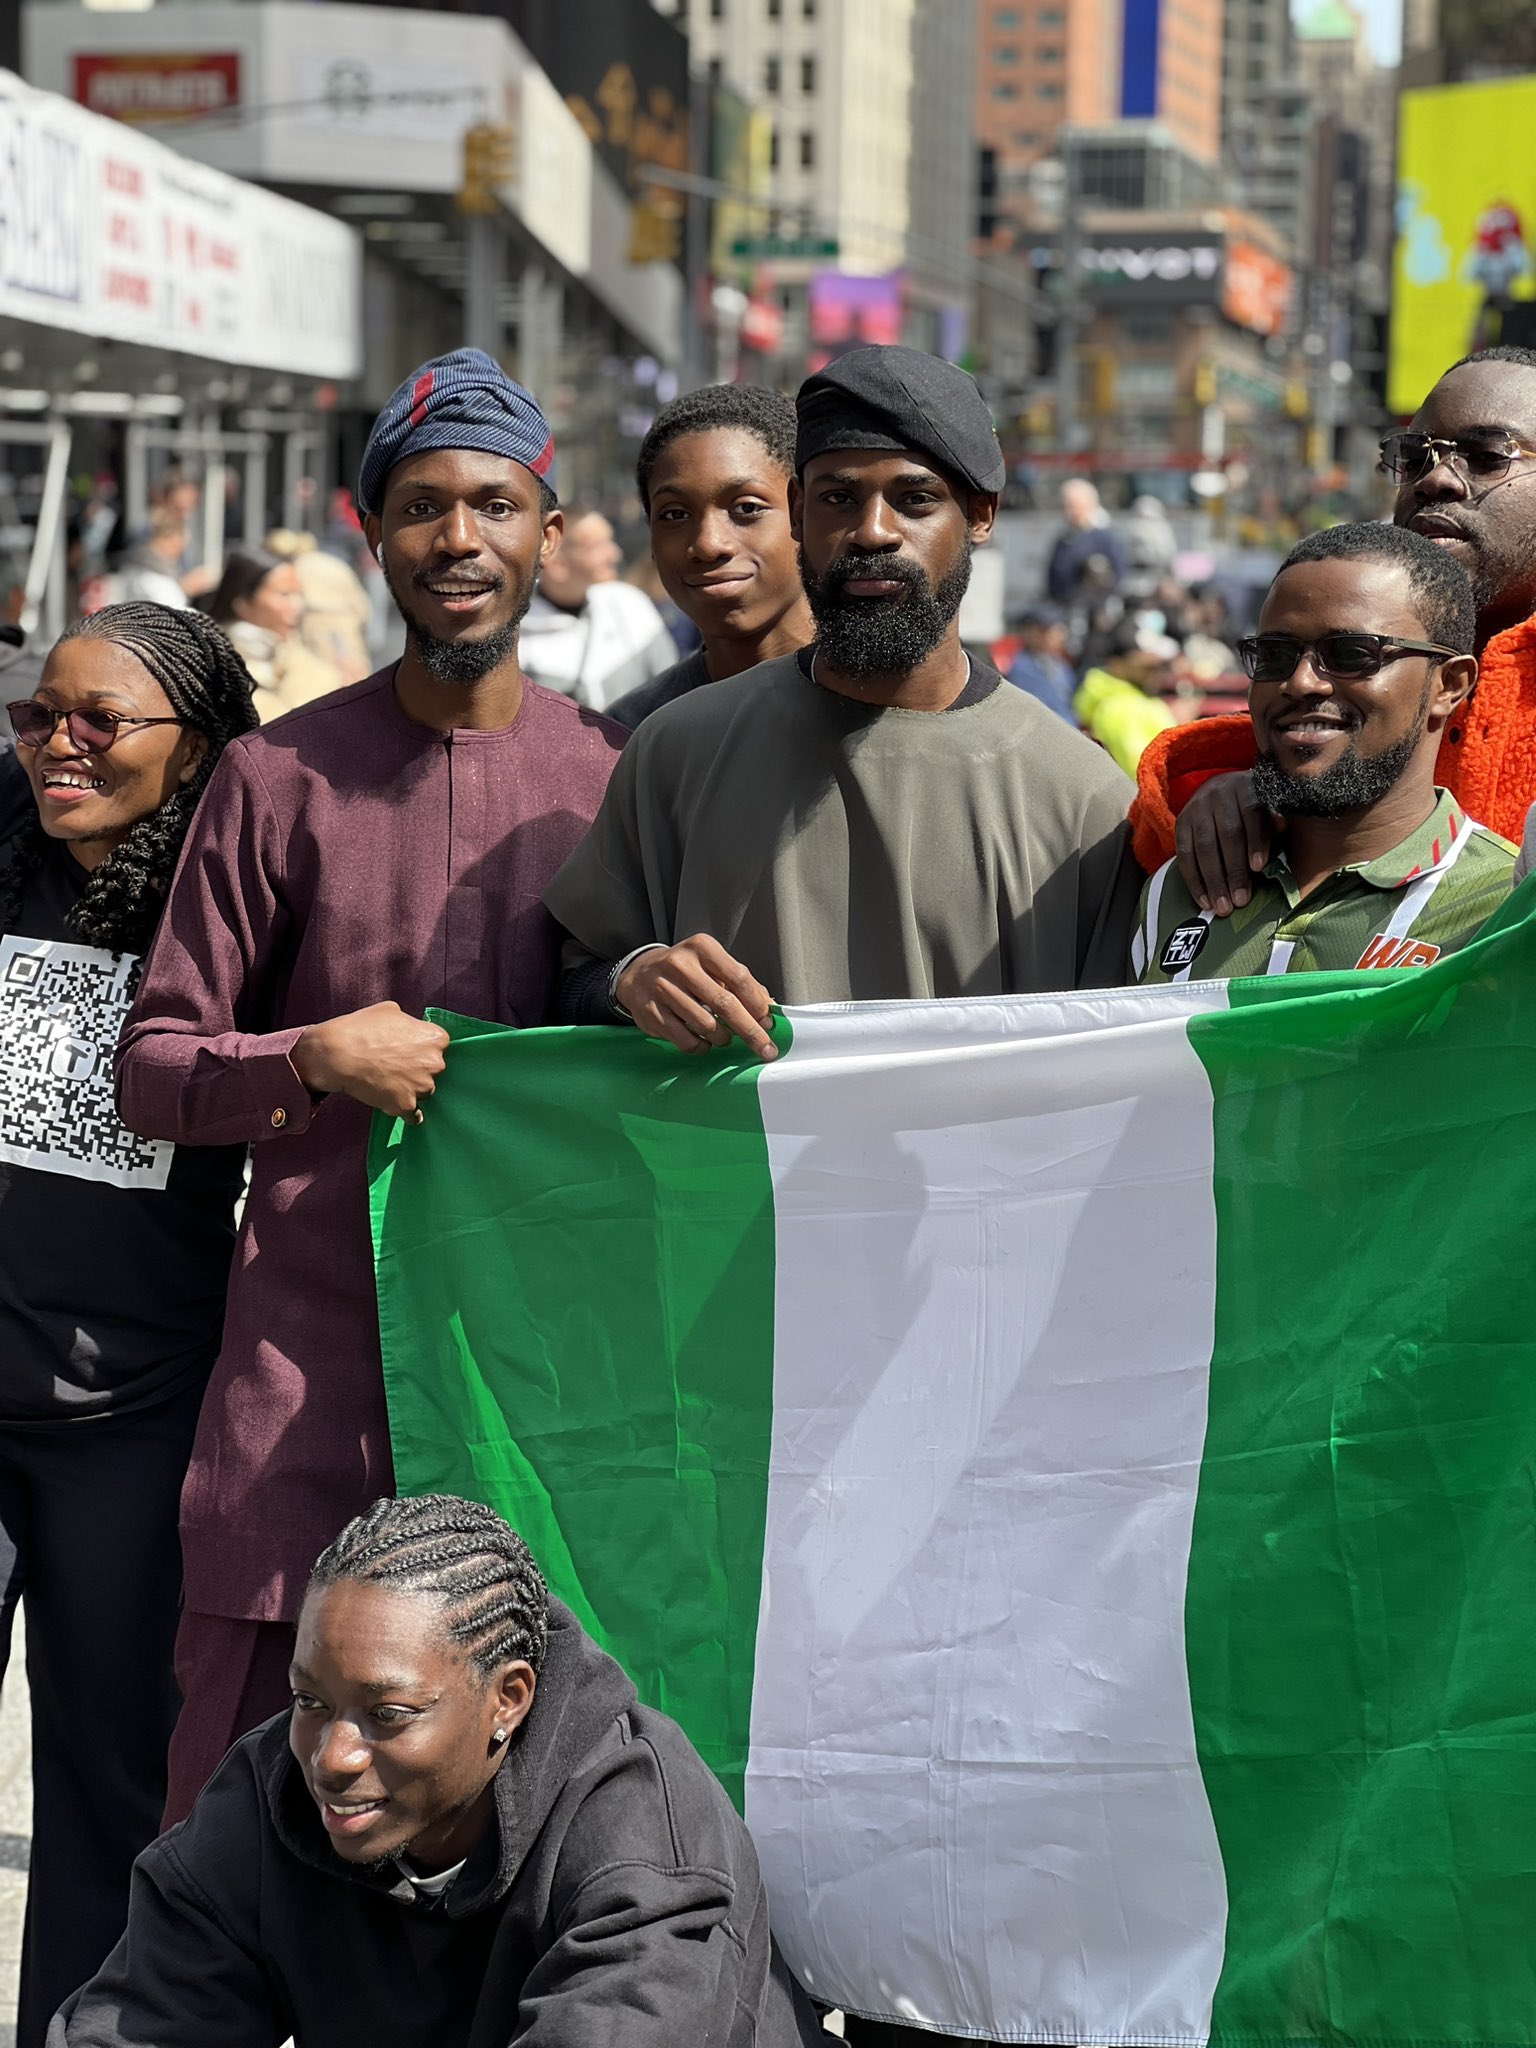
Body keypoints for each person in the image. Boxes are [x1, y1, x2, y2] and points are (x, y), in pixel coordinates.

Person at [114, 348, 624, 1827]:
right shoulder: (278, 779)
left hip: (531, 1395)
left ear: (544, 525)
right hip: (300, 1390)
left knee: (504, 1835)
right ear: (371, 530)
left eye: (492, 506)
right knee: (226, 1832)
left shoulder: (617, 776)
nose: (457, 541)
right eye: (421, 508)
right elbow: (155, 1071)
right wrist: (309, 1059)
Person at [546, 343, 1141, 1075]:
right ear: (798, 512)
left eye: (915, 498)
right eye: (838, 497)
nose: (873, 531)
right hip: (735, 1187)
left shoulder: (1084, 801)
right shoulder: (675, 752)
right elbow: (570, 981)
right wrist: (630, 978)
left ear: (981, 514)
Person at [49, 1493, 823, 2048]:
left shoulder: (646, 1852)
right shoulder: (269, 1791)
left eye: (388, 1716)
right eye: (310, 1701)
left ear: (507, 1700)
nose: (332, 1758)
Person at [0, 603, 258, 2044]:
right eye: (42, 716)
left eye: (104, 721)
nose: (62, 744)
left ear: (200, 747)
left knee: (110, 1784)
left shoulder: (230, 916)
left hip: (132, 1426)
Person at [1139, 345, 1536, 905]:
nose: (1436, 479)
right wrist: (1230, 804)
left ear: (1454, 683)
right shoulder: (1295, 717)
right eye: (1414, 455)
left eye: (1488, 455)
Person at [1133, 524, 1514, 982]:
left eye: (1352, 653)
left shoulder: (1506, 910)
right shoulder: (1175, 890)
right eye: (1275, 655)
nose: (1300, 682)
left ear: (1448, 685)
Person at [607, 384, 814, 732]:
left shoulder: (894, 703)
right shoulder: (630, 735)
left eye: (747, 508)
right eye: (674, 515)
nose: (708, 544)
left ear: (803, 514)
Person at [517, 502, 676, 710]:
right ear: (557, 561)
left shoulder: (630, 606)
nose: (615, 554)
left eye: (609, 540)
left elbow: (674, 692)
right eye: (597, 546)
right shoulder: (517, 635)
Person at [207, 546, 345, 721]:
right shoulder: (212, 667)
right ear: (243, 604)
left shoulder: (303, 663)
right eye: (284, 594)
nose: (297, 606)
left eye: (299, 594)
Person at [264, 527, 375, 685]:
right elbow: (360, 602)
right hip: (348, 622)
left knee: (328, 679)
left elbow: (294, 603)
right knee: (356, 676)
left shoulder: (293, 568)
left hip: (315, 625)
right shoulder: (333, 562)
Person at [1072, 617, 1180, 775]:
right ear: (1117, 665)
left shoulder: (1136, 700)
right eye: (1147, 667)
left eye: (1159, 666)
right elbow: (1142, 774)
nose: (1157, 673)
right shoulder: (1119, 708)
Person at [1045, 477, 1126, 606]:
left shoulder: (1104, 536)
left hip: (1094, 608)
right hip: (1064, 605)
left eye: (1073, 506)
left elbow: (1120, 573)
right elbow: (1053, 575)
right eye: (1066, 506)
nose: (1069, 511)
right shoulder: (1064, 538)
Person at [1003, 602, 1076, 723]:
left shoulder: (1060, 664)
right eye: (1048, 630)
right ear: (1030, 633)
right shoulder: (1021, 669)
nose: (1060, 635)